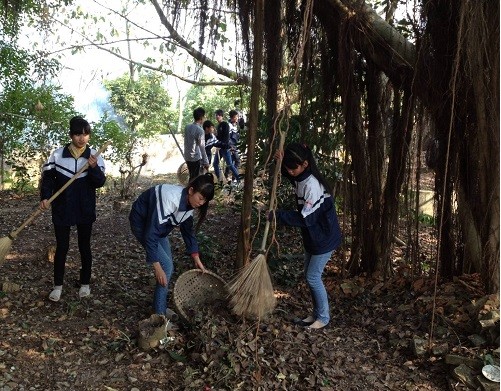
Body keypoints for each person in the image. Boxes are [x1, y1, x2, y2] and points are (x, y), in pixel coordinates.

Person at [268, 143, 342, 330]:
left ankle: (323, 317)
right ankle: (316, 314)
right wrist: (280, 162)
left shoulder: (312, 186)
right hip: (313, 237)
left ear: (305, 164)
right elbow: (292, 176)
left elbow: (305, 218)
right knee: (309, 275)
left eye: (293, 167)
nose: (290, 171)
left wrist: (276, 215)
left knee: (313, 277)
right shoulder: (302, 177)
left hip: (324, 237)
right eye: (287, 168)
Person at [129, 173, 215, 316]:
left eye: (204, 201)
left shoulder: (190, 206)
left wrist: (196, 257)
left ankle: (159, 305)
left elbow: (188, 232)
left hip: (159, 228)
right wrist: (156, 266)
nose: (201, 203)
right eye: (200, 198)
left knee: (168, 266)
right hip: (142, 223)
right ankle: (159, 314)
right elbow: (150, 234)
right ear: (191, 190)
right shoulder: (170, 198)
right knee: (166, 267)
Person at [40, 116, 106, 302]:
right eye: (78, 134)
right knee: (62, 247)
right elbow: (48, 179)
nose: (81, 138)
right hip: (62, 207)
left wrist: (93, 168)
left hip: (85, 207)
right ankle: (58, 286)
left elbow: (100, 182)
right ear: (71, 135)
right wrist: (45, 197)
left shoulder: (94, 156)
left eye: (85, 134)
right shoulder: (58, 155)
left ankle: (85, 283)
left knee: (84, 246)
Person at [213, 109, 240, 187]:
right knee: (215, 163)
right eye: (216, 115)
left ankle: (238, 179)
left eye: (218, 115)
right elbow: (219, 137)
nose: (217, 117)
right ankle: (220, 180)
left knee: (230, 164)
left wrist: (221, 145)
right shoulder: (219, 126)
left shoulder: (225, 124)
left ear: (222, 116)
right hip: (220, 148)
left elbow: (226, 138)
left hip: (225, 148)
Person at [184, 107, 210, 181]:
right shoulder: (200, 130)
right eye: (204, 116)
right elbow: (202, 148)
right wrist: (206, 162)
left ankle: (189, 190)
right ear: (202, 117)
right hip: (195, 158)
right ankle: (190, 191)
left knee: (192, 176)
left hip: (187, 156)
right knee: (195, 179)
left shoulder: (187, 127)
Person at [225, 109, 241, 182]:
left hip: (235, 145)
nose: (237, 118)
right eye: (236, 117)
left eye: (237, 117)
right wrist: (230, 147)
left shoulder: (235, 125)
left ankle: (227, 175)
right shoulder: (229, 125)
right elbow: (227, 137)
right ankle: (235, 178)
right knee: (237, 161)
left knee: (231, 162)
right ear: (232, 117)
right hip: (231, 146)